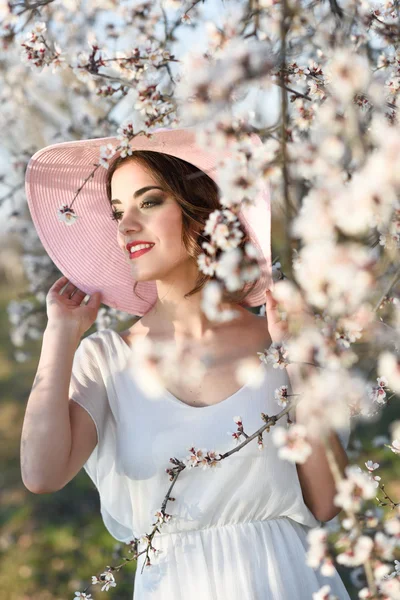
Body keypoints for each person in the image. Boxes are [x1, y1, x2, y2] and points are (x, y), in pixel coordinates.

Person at [20, 127, 351, 599]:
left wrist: (300, 362)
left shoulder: (277, 338)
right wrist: (60, 336)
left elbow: (326, 501)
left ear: (200, 212)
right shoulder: (106, 360)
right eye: (117, 212)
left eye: (148, 202)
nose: (125, 225)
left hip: (287, 581)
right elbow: (40, 473)